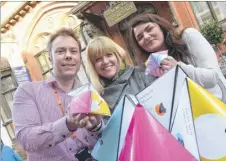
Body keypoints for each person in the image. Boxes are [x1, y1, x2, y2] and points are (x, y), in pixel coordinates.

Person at [128, 14, 226, 120]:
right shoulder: (152, 68)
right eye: (140, 37)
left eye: (149, 29)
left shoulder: (188, 36)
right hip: (200, 124)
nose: (146, 37)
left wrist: (179, 68)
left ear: (160, 26)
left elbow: (212, 78)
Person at [12, 28, 103, 161]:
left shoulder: (89, 92)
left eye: (73, 51)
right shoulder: (27, 91)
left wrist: (96, 127)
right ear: (50, 57)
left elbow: (102, 139)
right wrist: (67, 124)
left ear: (79, 56)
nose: (68, 55)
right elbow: (25, 139)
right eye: (60, 51)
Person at [84, 36, 157, 110]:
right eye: (98, 59)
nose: (105, 61)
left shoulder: (142, 75)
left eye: (109, 55)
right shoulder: (97, 100)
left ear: (117, 55)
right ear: (93, 66)